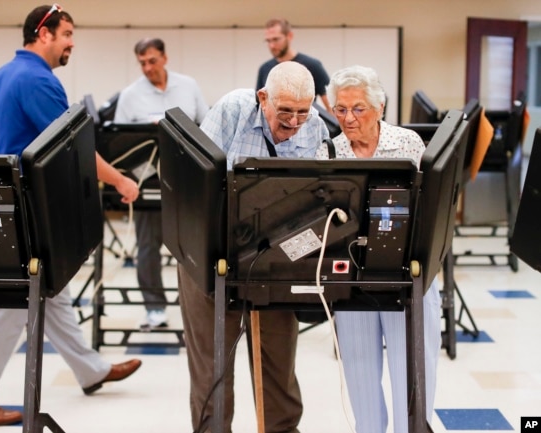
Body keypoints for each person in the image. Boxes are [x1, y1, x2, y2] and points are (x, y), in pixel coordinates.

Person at [0, 5, 142, 427]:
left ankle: (90, 371)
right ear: (43, 33)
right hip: (24, 207)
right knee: (13, 303)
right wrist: (121, 182)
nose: (72, 42)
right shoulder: (39, 80)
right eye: (67, 33)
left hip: (0, 201)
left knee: (50, 292)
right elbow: (73, 148)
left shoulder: (1, 75)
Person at [179, 61, 329, 433]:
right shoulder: (233, 109)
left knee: (278, 362)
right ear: (263, 97)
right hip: (213, 250)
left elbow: (322, 200)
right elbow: (196, 180)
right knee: (211, 365)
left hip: (275, 257)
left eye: (302, 112)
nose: (294, 122)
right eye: (285, 111)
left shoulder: (317, 128)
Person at [315, 65, 442, 433]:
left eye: (358, 109)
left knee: (413, 382)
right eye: (340, 109)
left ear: (380, 107)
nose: (348, 118)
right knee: (360, 379)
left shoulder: (408, 144)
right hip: (352, 280)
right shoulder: (329, 152)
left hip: (407, 275)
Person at [113, 37, 209, 330]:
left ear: (165, 58)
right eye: (142, 63)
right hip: (147, 179)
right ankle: (154, 308)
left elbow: (206, 127)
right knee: (147, 247)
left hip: (186, 181)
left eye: (152, 61)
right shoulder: (130, 95)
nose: (147, 67)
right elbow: (118, 144)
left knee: (195, 245)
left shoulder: (188, 85)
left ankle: (199, 305)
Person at [256, 18, 332, 113]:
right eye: (268, 41)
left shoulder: (312, 65)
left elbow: (331, 105)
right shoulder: (264, 69)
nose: (272, 45)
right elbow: (260, 106)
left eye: (276, 39)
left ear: (289, 36)